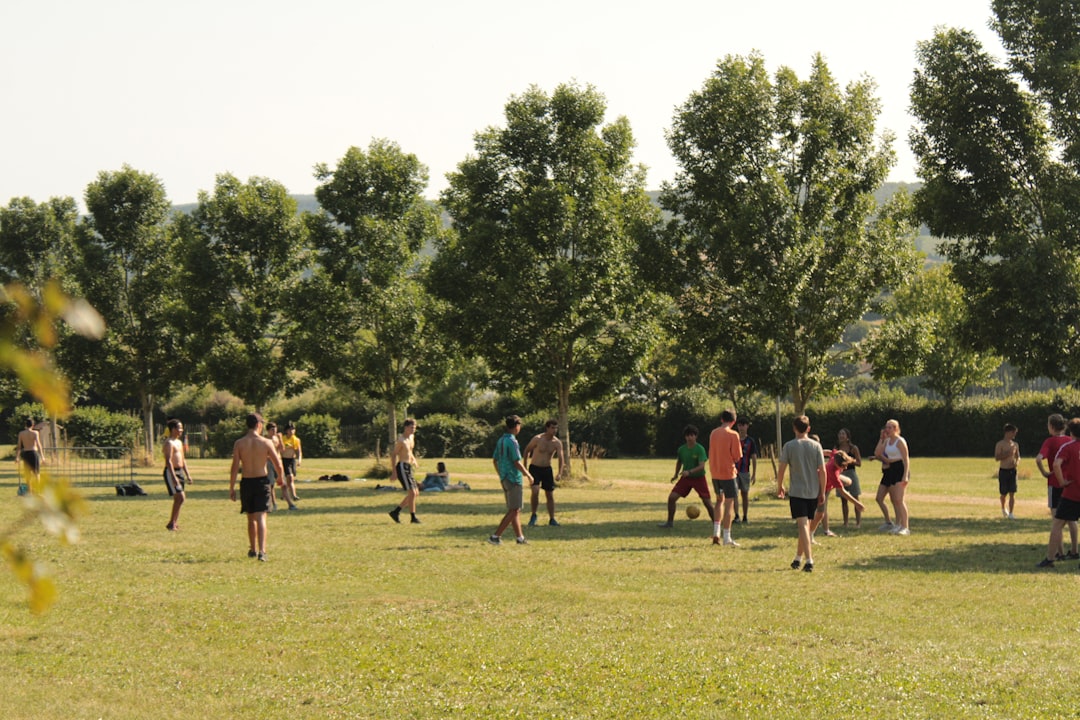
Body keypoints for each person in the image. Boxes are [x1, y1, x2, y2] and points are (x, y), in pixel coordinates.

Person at [229, 413, 285, 561]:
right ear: (259, 425)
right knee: (261, 517)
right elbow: (277, 462)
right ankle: (262, 551)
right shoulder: (266, 442)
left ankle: (252, 549)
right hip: (261, 481)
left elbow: (235, 467)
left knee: (250, 517)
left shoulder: (239, 443)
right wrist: (281, 478)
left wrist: (231, 487)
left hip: (247, 482)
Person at [776, 415, 827, 572]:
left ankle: (809, 560)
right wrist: (822, 491)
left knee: (803, 525)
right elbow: (823, 471)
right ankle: (798, 558)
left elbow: (782, 468)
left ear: (794, 428)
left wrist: (780, 486)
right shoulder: (816, 446)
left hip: (797, 492)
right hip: (812, 491)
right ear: (808, 429)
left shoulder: (789, 446)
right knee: (804, 526)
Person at [1039, 417, 1080, 568]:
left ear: (1071, 432)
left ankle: (1050, 559)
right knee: (1072, 523)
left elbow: (1056, 464)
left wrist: (1062, 482)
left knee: (1057, 524)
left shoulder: (1069, 447)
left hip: (1071, 493)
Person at [489, 415, 533, 545]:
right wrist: (528, 474)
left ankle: (520, 538)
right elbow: (516, 462)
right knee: (514, 509)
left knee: (514, 509)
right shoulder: (512, 441)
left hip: (504, 478)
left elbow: (495, 460)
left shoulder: (501, 440)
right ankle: (495, 536)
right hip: (514, 478)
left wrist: (501, 474)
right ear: (516, 426)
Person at [659, 424, 714, 528]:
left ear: (696, 436)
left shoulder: (700, 449)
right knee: (671, 498)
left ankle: (716, 525)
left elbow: (702, 466)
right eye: (688, 435)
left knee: (707, 502)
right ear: (685, 437)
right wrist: (675, 474)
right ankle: (669, 522)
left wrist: (689, 472)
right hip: (686, 479)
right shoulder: (681, 449)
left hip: (699, 478)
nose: (690, 437)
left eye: (692, 435)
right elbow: (679, 462)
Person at [809, 450, 866, 539]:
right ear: (836, 464)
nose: (845, 468)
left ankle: (810, 533)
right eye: (842, 466)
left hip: (826, 481)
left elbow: (828, 452)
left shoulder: (836, 455)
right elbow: (842, 492)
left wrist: (817, 453)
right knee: (820, 513)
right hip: (821, 487)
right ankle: (809, 535)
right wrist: (857, 503)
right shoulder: (833, 472)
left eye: (846, 465)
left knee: (849, 481)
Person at [709, 409, 743, 546]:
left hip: (715, 473)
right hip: (728, 474)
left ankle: (716, 532)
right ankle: (727, 537)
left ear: (721, 419)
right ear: (733, 422)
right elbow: (737, 456)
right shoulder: (733, 434)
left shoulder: (713, 433)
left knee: (718, 502)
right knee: (730, 504)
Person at [523, 419, 566, 526]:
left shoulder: (557, 443)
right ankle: (533, 515)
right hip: (535, 468)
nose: (554, 430)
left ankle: (552, 519)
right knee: (535, 491)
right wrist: (524, 466)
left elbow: (561, 458)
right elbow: (527, 450)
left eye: (556, 428)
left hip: (547, 469)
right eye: (552, 428)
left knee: (549, 494)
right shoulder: (538, 439)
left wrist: (560, 473)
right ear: (547, 428)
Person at [874, 419, 911, 535]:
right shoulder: (888, 441)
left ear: (896, 429)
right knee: (893, 499)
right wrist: (882, 438)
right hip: (890, 470)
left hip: (900, 469)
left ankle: (905, 527)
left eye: (890, 427)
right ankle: (898, 524)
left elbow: (906, 459)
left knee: (899, 500)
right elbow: (878, 453)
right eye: (886, 427)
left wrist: (905, 476)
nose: (887, 429)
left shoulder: (900, 441)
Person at [389, 419, 420, 524]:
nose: (413, 430)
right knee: (411, 492)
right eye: (411, 427)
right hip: (402, 466)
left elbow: (410, 451)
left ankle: (395, 512)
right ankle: (413, 517)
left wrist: (414, 459)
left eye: (414, 428)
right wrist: (394, 472)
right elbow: (394, 455)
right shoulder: (401, 440)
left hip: (408, 466)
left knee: (415, 493)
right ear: (406, 428)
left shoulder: (411, 437)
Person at [163, 418, 191, 531]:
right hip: (171, 472)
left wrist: (188, 475)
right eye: (179, 428)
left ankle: (172, 523)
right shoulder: (169, 443)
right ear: (173, 429)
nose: (181, 430)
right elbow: (168, 461)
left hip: (180, 471)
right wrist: (174, 477)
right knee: (180, 497)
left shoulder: (179, 442)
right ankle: (172, 523)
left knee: (179, 499)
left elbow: (183, 460)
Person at [834, 428, 863, 528]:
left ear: (847, 437)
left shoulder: (853, 448)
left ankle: (858, 523)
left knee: (855, 497)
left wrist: (848, 460)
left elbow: (859, 463)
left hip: (851, 473)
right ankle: (845, 522)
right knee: (843, 499)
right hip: (840, 474)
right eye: (840, 434)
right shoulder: (836, 448)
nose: (841, 436)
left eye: (843, 434)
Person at [734, 419, 758, 524]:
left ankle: (745, 516)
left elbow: (753, 457)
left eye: (743, 425)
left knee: (745, 494)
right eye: (739, 425)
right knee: (734, 494)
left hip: (745, 471)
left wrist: (754, 473)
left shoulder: (750, 441)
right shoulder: (733, 439)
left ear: (747, 426)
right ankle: (736, 516)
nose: (741, 427)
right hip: (733, 471)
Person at [995, 423, 1020, 519]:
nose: (1014, 435)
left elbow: (1018, 456)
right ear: (1008, 432)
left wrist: (1016, 463)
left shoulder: (1015, 444)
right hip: (1003, 471)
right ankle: (1003, 507)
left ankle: (1011, 513)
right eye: (1013, 432)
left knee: (1012, 492)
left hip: (1012, 471)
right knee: (1003, 493)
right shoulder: (1000, 444)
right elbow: (997, 457)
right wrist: (1007, 454)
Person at [14, 417, 43, 495]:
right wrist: (42, 457)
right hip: (34, 453)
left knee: (28, 473)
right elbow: (39, 444)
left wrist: (17, 457)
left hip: (26, 453)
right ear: (33, 425)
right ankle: (38, 491)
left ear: (25, 425)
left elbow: (19, 446)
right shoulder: (35, 433)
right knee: (37, 473)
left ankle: (30, 491)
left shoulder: (21, 433)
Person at [279, 421, 302, 510]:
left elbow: (299, 451)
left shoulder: (296, 440)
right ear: (286, 431)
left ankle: (285, 495)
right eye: (290, 429)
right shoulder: (283, 439)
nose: (292, 431)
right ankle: (293, 495)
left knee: (290, 479)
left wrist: (299, 460)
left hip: (292, 460)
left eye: (293, 429)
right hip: (284, 460)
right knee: (289, 477)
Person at [264, 422, 282, 512]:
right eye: (272, 429)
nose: (274, 431)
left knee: (283, 483)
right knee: (271, 485)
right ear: (268, 431)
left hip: (278, 462)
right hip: (269, 463)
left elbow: (282, 449)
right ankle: (273, 503)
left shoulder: (277, 438)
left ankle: (290, 502)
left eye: (275, 428)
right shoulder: (265, 439)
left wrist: (280, 439)